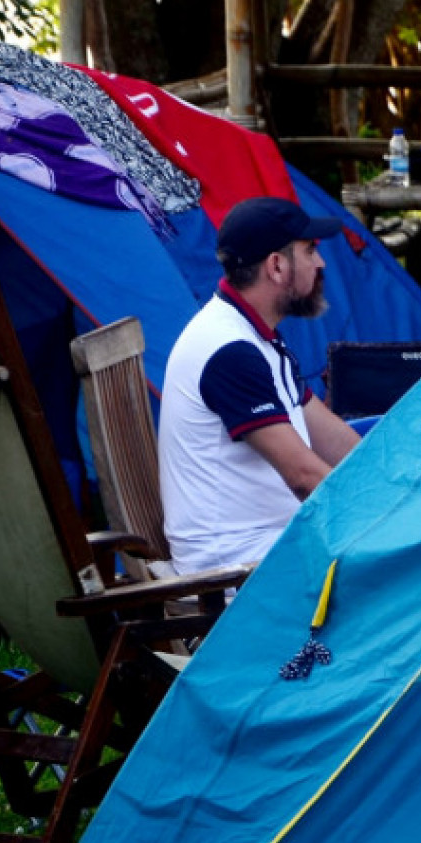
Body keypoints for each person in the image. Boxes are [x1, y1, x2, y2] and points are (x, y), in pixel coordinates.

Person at [158, 198, 360, 573]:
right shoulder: (230, 351)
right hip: (235, 571)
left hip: (271, 546)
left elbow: (336, 440)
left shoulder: (256, 336)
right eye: (310, 251)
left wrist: (395, 478)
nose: (321, 263)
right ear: (277, 265)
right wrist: (386, 513)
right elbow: (303, 477)